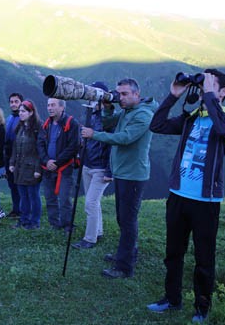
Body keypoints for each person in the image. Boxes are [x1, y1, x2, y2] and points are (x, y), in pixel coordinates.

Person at [147, 69, 225, 323]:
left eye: (211, 84)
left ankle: (202, 308)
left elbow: (222, 130)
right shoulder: (191, 119)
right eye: (202, 85)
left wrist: (210, 96)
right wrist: (173, 96)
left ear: (223, 92)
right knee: (173, 252)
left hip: (206, 202)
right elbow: (156, 125)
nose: (203, 89)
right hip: (178, 195)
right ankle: (172, 298)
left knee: (204, 258)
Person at [81, 78, 158, 279]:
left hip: (133, 175)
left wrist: (93, 135)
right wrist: (107, 107)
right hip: (123, 173)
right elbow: (108, 123)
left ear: (136, 94)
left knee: (128, 219)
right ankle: (127, 254)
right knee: (123, 219)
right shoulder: (127, 111)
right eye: (119, 93)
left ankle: (124, 267)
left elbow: (124, 138)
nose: (120, 97)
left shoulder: (143, 115)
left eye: (124, 94)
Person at [72, 84, 114, 250]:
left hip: (100, 167)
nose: (90, 98)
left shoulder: (108, 118)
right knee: (94, 202)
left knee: (90, 203)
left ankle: (89, 239)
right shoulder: (90, 114)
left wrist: (109, 170)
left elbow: (112, 143)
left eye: (94, 95)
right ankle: (98, 231)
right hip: (87, 164)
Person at [38, 98, 80, 232]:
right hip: (48, 168)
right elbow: (40, 144)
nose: (50, 108)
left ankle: (67, 225)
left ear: (62, 108)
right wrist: (46, 161)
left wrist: (57, 162)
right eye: (48, 105)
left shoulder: (71, 123)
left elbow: (73, 146)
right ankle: (54, 224)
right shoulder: (46, 124)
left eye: (53, 105)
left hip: (64, 168)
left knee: (64, 198)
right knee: (50, 198)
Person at [9, 100, 42, 230]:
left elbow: (41, 150)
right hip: (20, 167)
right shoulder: (20, 127)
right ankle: (24, 220)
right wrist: (12, 163)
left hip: (32, 168)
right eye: (20, 111)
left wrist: (38, 169)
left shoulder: (37, 128)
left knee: (33, 195)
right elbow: (15, 147)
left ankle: (34, 222)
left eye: (23, 111)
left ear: (31, 112)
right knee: (23, 195)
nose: (20, 113)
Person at [4, 92, 23, 218]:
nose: (13, 104)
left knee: (20, 184)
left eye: (16, 101)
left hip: (19, 156)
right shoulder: (10, 118)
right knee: (12, 184)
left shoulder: (23, 119)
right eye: (11, 102)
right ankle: (16, 209)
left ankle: (23, 210)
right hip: (8, 155)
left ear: (21, 102)